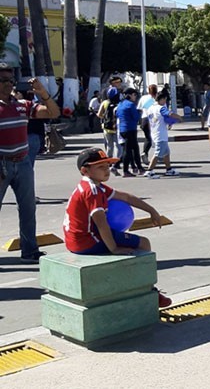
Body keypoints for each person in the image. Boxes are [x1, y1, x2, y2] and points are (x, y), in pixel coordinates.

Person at [63, 148, 171, 307]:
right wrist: (114, 248)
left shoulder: (95, 185)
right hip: (87, 241)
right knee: (143, 243)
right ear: (85, 170)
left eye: (107, 166)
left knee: (134, 243)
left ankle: (142, 287)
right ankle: (148, 290)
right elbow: (102, 224)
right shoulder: (91, 191)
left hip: (79, 239)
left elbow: (126, 197)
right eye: (100, 167)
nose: (106, 170)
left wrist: (151, 210)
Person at [0, 65, 59, 263]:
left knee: (27, 208)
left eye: (11, 80)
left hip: (23, 162)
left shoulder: (22, 105)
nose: (8, 84)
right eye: (4, 80)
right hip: (1, 164)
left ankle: (30, 251)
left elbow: (53, 112)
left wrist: (43, 93)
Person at [143, 92, 182, 178]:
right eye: (165, 100)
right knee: (158, 153)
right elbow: (170, 114)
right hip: (160, 134)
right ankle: (149, 171)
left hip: (154, 132)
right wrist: (179, 117)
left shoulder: (150, 108)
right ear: (162, 99)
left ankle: (169, 169)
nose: (165, 102)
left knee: (166, 152)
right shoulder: (160, 108)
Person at [115, 88, 143, 177]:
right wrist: (139, 112)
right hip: (130, 129)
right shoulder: (131, 105)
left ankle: (139, 168)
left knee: (133, 149)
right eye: (134, 95)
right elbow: (136, 118)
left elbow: (117, 114)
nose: (135, 97)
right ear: (130, 95)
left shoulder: (120, 104)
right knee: (129, 151)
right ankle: (126, 170)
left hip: (122, 129)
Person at [98, 83, 123, 176]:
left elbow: (99, 114)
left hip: (106, 128)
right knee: (119, 147)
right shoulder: (119, 103)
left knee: (109, 146)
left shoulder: (105, 103)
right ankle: (116, 163)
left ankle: (108, 163)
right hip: (117, 128)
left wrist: (104, 117)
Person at [137, 84, 158, 164]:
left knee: (148, 138)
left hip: (144, 119)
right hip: (154, 119)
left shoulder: (143, 98)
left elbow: (139, 109)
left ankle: (145, 153)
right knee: (157, 137)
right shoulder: (157, 98)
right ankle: (159, 155)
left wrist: (140, 122)